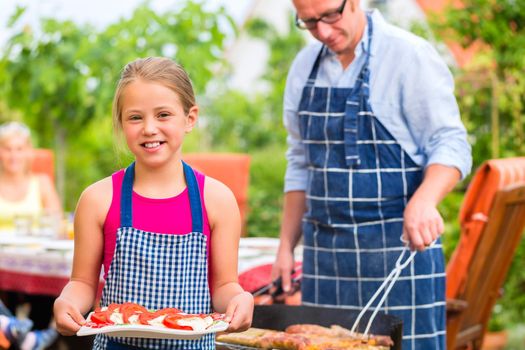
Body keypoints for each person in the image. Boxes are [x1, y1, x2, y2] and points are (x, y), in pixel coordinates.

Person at [271, 1, 472, 349]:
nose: (323, 32)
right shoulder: (304, 66)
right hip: (325, 259)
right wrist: (286, 246)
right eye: (309, 22)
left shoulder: (409, 56)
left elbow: (450, 143)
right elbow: (300, 162)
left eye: (331, 16)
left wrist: (425, 200)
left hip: (400, 257)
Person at [53, 57, 254, 349]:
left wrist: (239, 299)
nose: (149, 128)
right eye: (135, 117)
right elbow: (83, 283)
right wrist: (67, 301)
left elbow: (223, 286)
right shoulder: (98, 199)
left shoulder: (217, 200)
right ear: (121, 124)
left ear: (190, 118)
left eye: (163, 115)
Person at [0, 121, 61, 350]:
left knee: (46, 288)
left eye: (19, 148)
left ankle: (21, 333)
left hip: (36, 263)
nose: (14, 155)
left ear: (28, 152)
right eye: (7, 148)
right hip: (3, 265)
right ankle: (25, 339)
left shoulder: (41, 183)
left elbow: (57, 225)